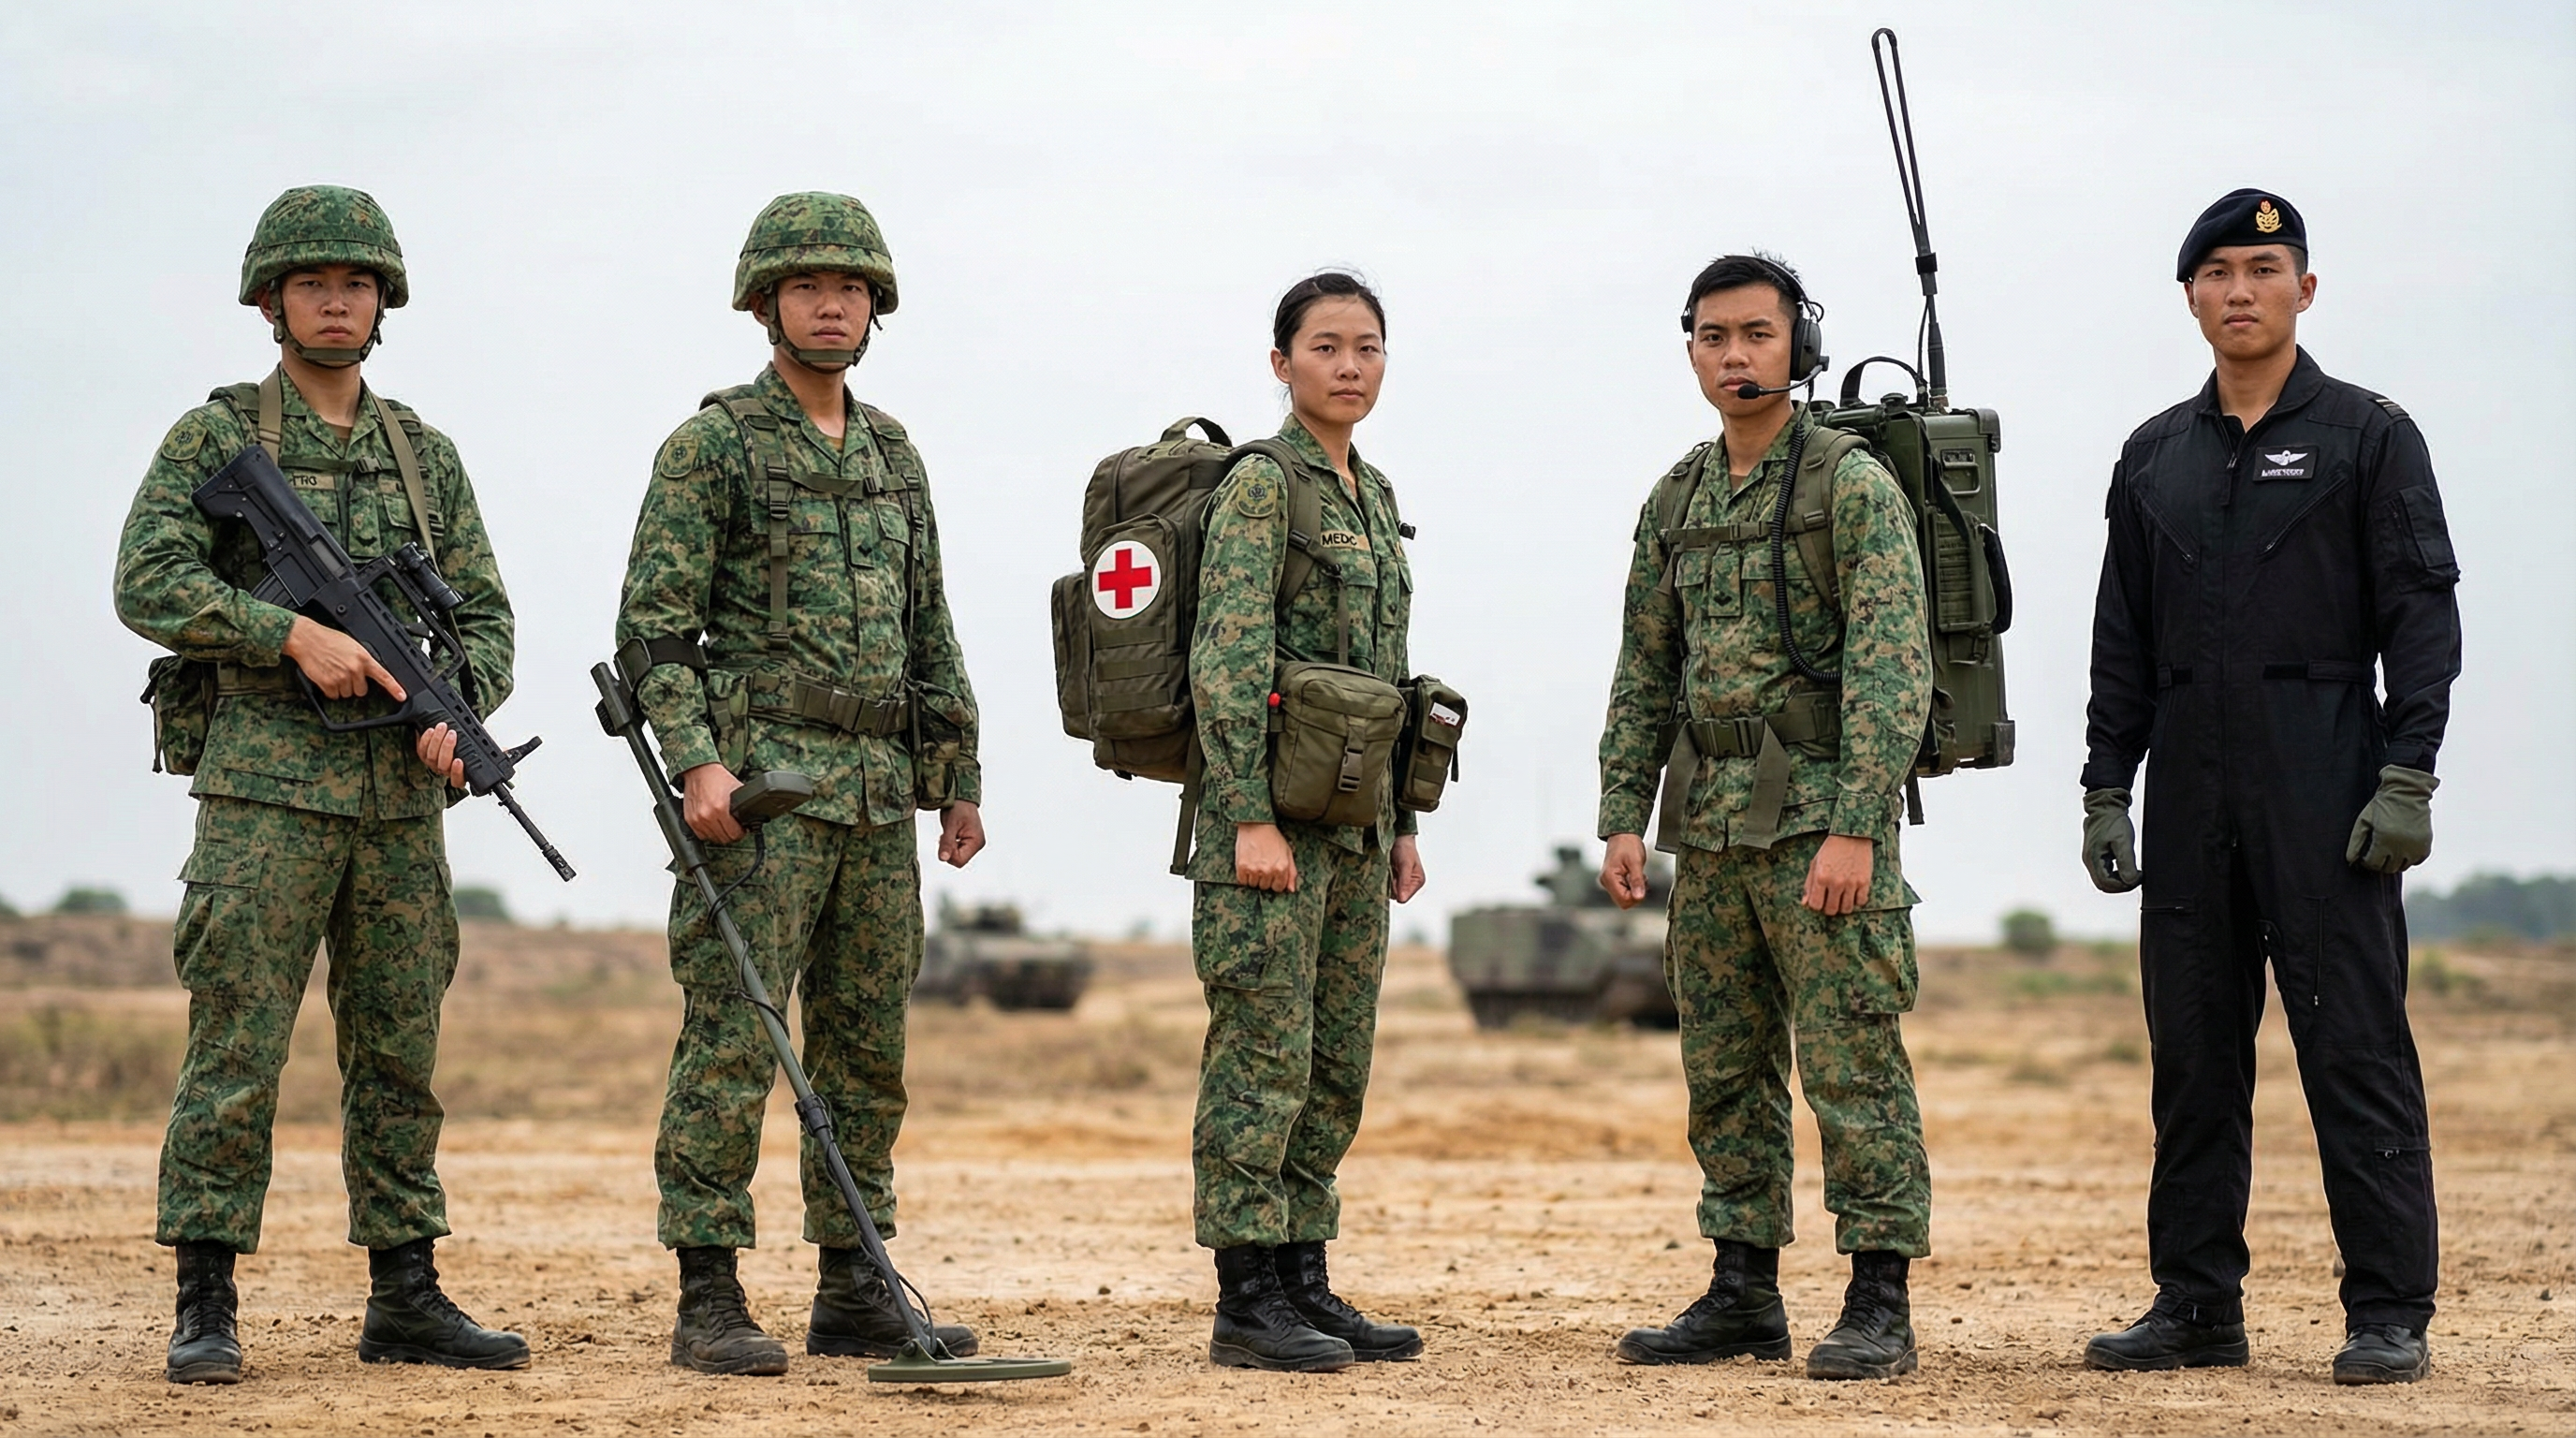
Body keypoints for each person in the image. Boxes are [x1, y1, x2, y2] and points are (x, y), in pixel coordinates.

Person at [114, 184, 529, 1384]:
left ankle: (406, 1293)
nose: (336, 300)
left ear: (383, 303)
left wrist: (458, 713)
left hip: (400, 805)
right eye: (313, 283)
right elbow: (146, 577)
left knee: (399, 1050)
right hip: (263, 798)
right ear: (271, 302)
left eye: (356, 284)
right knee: (236, 1044)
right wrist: (284, 636)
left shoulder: (423, 455)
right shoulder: (217, 438)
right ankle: (205, 1299)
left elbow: (489, 617)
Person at [2078, 190, 2461, 1386]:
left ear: (2306, 287)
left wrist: (2407, 773)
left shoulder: (2366, 436)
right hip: (2190, 789)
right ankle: (2197, 1306)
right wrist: (2105, 786)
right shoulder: (2153, 455)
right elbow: (2120, 641)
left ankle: (2388, 1311)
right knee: (2193, 1057)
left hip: (2327, 783)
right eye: (2217, 272)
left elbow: (2420, 613)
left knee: (2353, 1050)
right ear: (2188, 296)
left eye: (2263, 266)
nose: (2239, 289)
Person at [615, 192, 985, 1376]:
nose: (832, 304)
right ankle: (709, 1291)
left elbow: (932, 625)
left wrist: (957, 773)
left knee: (868, 1047)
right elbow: (655, 631)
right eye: (808, 286)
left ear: (876, 307)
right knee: (734, 1036)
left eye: (853, 288)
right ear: (765, 302)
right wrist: (695, 761)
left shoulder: (893, 452)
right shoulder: (713, 444)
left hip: (878, 797)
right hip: (763, 792)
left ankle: (855, 1284)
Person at [1595, 254, 1934, 1381]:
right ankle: (1742, 1288)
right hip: (1714, 825)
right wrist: (1623, 814)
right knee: (1724, 1064)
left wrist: (1854, 826)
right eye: (1712, 337)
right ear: (1689, 349)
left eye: (1755, 334)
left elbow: (1894, 670)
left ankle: (1877, 1298)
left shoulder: (1846, 484)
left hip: (1820, 823)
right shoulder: (1674, 499)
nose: (1734, 356)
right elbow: (1646, 667)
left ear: (1799, 344)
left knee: (1850, 1062)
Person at [1186, 271, 1427, 1372]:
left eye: (1366, 347)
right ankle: (1246, 1299)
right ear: (1280, 364)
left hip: (1354, 827)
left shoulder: (1372, 496)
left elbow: (1385, 687)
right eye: (1325, 347)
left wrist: (1404, 823)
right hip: (1268, 829)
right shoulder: (1261, 486)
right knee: (1261, 1057)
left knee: (1332, 1064)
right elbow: (1225, 659)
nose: (1349, 366)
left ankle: (1306, 1282)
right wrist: (1244, 816)